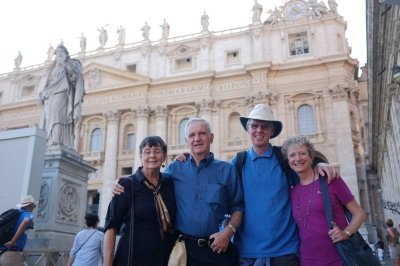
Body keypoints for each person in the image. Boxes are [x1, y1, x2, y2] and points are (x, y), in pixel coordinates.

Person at [113, 119, 244, 265]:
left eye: (202, 134)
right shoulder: (175, 169)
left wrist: (229, 231)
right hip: (183, 251)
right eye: (192, 135)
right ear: (186, 140)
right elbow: (151, 182)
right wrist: (123, 182)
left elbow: (237, 207)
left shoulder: (227, 170)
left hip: (216, 247)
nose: (197, 138)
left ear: (211, 137)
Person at [231, 103, 337, 266]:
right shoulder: (238, 162)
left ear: (272, 131)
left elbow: (308, 179)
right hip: (247, 253)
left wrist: (317, 166)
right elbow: (216, 182)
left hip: (286, 251)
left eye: (264, 126)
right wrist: (188, 157)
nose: (259, 130)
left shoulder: (284, 160)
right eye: (255, 125)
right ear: (248, 128)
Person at [281, 135, 366, 265]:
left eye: (302, 153)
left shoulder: (331, 180)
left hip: (338, 258)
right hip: (307, 261)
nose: (297, 159)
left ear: (311, 157)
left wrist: (346, 233)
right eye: (292, 155)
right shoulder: (291, 191)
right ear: (288, 161)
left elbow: (359, 213)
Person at [104, 136, 177, 266]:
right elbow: (111, 225)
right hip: (132, 258)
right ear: (140, 156)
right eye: (147, 152)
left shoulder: (169, 184)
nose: (152, 156)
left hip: (164, 258)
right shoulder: (126, 185)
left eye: (157, 151)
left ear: (165, 156)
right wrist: (107, 263)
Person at [39, 44, 85, 149]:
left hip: (63, 92)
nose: (59, 54)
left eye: (61, 52)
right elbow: (48, 83)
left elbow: (75, 79)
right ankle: (52, 139)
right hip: (51, 95)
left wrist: (68, 67)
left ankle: (57, 139)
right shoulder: (53, 69)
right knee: (50, 117)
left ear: (66, 54)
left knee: (57, 113)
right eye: (57, 52)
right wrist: (43, 93)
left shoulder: (70, 64)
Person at [0, 195, 35, 266]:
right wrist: (13, 241)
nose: (34, 207)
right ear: (30, 205)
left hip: (2, 249)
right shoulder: (27, 214)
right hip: (12, 251)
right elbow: (26, 221)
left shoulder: (15, 213)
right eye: (34, 206)